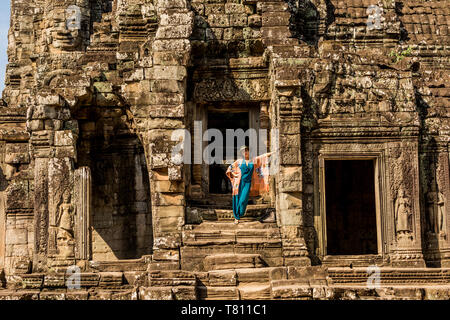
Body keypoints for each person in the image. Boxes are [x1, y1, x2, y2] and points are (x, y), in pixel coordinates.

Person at [226, 145, 274, 224]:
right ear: (241, 153)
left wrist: (273, 152)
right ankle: (236, 218)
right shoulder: (239, 161)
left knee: (243, 200)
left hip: (247, 183)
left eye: (246, 150)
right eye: (243, 151)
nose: (245, 152)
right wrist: (234, 175)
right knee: (237, 199)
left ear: (248, 151)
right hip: (239, 183)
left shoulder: (253, 160)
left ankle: (240, 214)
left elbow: (263, 157)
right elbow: (230, 168)